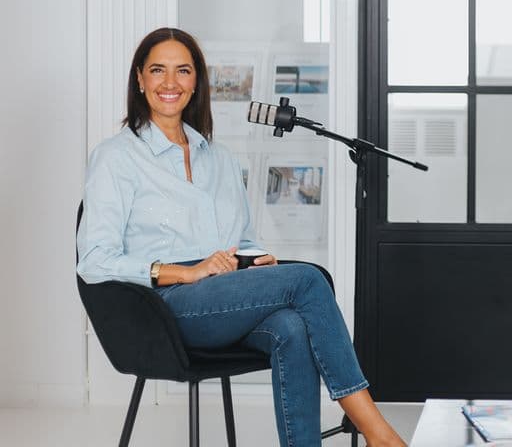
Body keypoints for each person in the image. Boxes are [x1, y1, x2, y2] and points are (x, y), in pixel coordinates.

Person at [77, 27, 406, 447]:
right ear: (139, 79)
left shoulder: (221, 160)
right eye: (158, 70)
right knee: (308, 279)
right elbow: (94, 259)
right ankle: (381, 435)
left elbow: (241, 239)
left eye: (183, 71)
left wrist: (256, 260)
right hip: (162, 312)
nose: (170, 83)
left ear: (196, 83)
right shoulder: (115, 158)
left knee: (290, 325)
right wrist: (184, 273)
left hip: (226, 295)